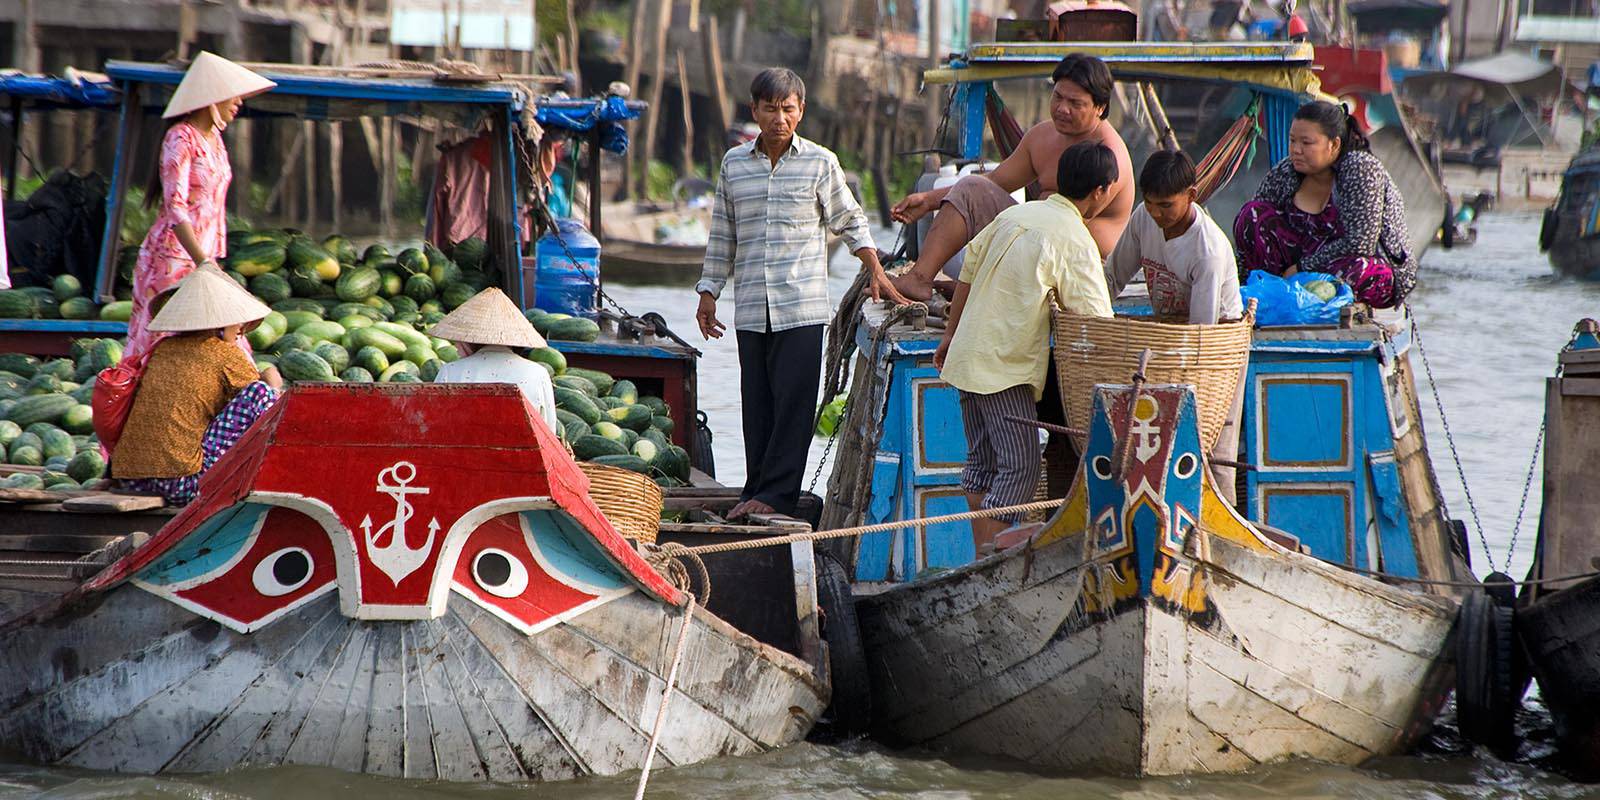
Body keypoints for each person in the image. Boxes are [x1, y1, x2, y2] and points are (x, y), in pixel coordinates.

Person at [695, 67, 903, 521]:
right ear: (754, 110)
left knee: (793, 405)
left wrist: (873, 268)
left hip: (802, 307)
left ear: (801, 111)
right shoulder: (734, 165)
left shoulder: (820, 163)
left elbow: (851, 220)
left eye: (788, 109)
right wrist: (708, 293)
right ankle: (756, 487)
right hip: (751, 308)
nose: (779, 118)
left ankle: (777, 496)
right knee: (757, 405)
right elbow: (722, 236)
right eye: (770, 109)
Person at [934, 142, 1118, 553]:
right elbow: (1096, 322)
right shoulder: (1074, 237)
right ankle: (989, 560)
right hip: (1002, 368)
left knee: (984, 464)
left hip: (968, 357)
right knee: (1020, 466)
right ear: (1102, 191)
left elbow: (967, 273)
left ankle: (978, 560)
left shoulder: (1013, 215)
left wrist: (950, 335)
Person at [889, 53, 1135, 302]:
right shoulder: (1042, 136)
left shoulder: (1110, 157)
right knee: (972, 187)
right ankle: (920, 278)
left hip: (1084, 270)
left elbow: (1066, 227)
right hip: (1034, 244)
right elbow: (994, 182)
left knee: (1034, 229)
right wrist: (928, 199)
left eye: (1075, 103)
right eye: (1058, 97)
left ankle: (979, 287)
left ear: (1100, 108)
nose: (1062, 109)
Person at [1105, 149, 1246, 490]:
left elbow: (1201, 334)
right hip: (1166, 340)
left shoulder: (1207, 250)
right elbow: (1112, 278)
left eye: (1165, 205)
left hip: (1215, 348)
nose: (1155, 213)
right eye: (1150, 203)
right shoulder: (1143, 218)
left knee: (1212, 448)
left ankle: (1216, 532)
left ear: (1191, 196)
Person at [127, 52, 275, 359]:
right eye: (233, 96)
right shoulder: (180, 138)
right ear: (212, 98)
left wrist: (210, 261)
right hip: (172, 259)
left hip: (204, 260)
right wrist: (202, 261)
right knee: (158, 346)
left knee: (228, 341)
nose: (239, 103)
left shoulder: (216, 141)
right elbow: (175, 208)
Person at [113, 267, 282, 506]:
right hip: (182, 482)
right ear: (219, 322)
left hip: (135, 480)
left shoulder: (163, 348)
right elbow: (259, 407)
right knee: (261, 393)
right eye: (238, 321)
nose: (242, 330)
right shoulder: (225, 353)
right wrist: (273, 382)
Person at [1233, 100, 1417, 308]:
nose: (1296, 150)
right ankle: (1269, 296)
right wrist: (1237, 290)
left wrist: (1301, 268)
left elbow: (1361, 244)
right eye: (1292, 141)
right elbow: (1252, 232)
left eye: (1306, 143)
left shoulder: (1360, 168)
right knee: (1252, 216)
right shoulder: (1286, 171)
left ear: (1334, 144)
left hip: (1356, 267)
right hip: (1295, 274)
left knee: (1357, 268)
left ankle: (1309, 300)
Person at [431, 287, 559, 431]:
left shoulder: (449, 371)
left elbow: (436, 430)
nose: (456, 348)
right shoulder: (537, 373)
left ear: (468, 341)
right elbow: (549, 436)